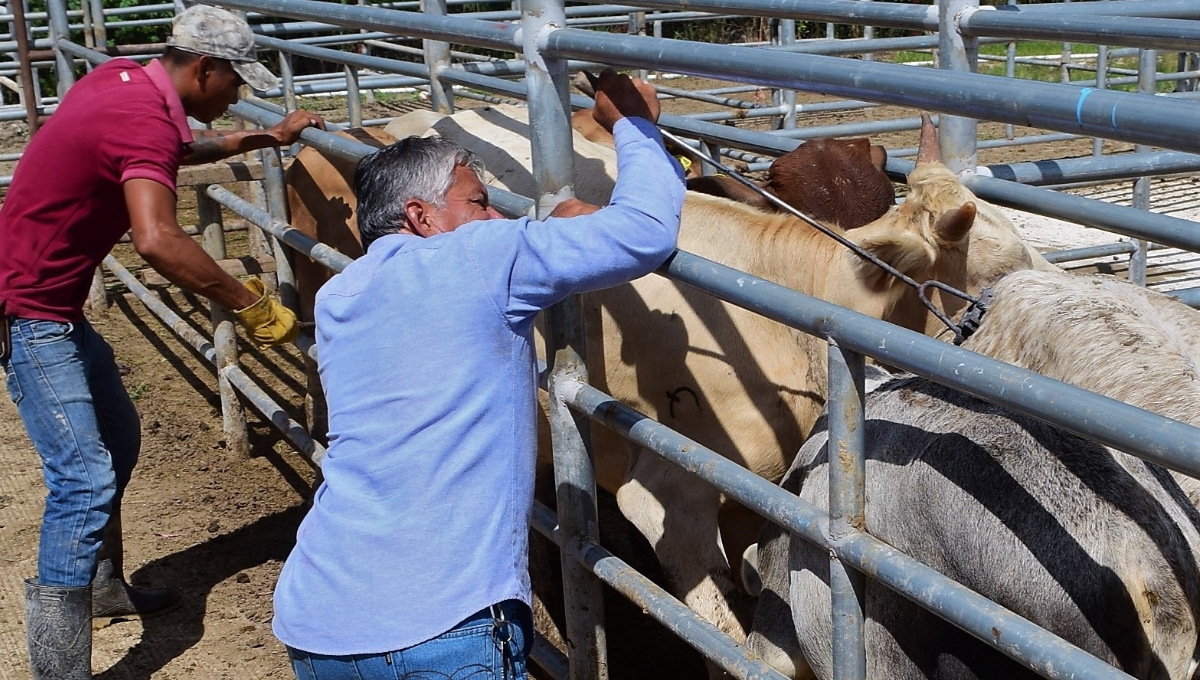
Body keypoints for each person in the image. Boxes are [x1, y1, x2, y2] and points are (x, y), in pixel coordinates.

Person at [271, 69, 684, 679]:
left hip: (319, 616)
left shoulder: (340, 295)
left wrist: (541, 235)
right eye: (479, 201)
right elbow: (646, 232)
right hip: (444, 622)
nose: (496, 218)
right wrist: (636, 125)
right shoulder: (481, 258)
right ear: (421, 215)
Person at [0, 5, 325, 679]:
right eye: (236, 81)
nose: (238, 93)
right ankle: (59, 670)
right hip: (28, 311)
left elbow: (171, 150)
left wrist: (259, 137)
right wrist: (252, 303)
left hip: (52, 300)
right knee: (82, 477)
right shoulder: (142, 116)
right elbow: (157, 239)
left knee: (117, 439)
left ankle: (100, 587)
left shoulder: (125, 81)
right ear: (204, 68)